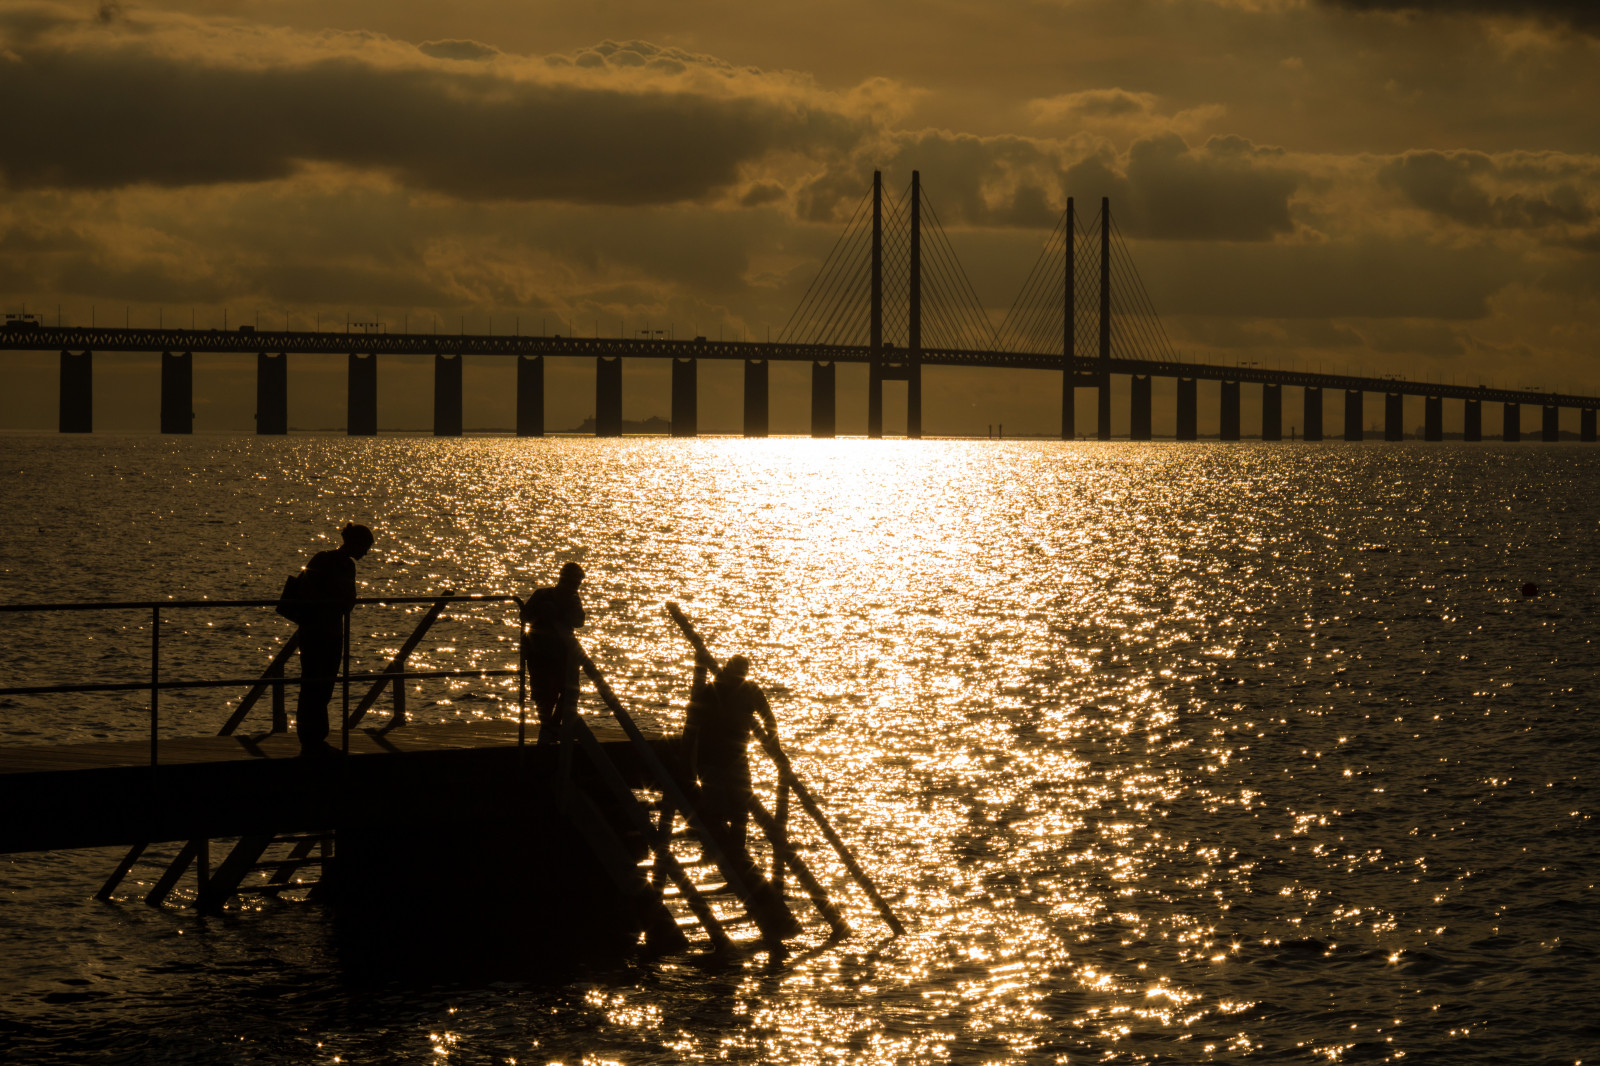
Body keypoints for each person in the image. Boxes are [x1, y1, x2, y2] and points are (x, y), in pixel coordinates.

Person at [683, 653, 778, 860]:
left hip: (732, 757)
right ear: (727, 670)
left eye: (740, 673)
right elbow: (693, 721)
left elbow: (769, 719)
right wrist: (688, 757)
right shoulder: (714, 690)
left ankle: (734, 850)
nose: (736, 677)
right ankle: (719, 848)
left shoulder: (747, 691)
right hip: (713, 757)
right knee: (718, 805)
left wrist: (776, 750)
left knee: (739, 807)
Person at [294, 522, 374, 756]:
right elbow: (347, 602)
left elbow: (303, 587)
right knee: (321, 685)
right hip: (327, 632)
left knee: (311, 683)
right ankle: (314, 740)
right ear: (355, 543)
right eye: (365, 547)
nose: (366, 553)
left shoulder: (321, 558)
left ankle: (310, 738)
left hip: (310, 630)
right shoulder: (344, 565)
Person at [522, 562, 586, 744]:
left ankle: (553, 726)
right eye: (574, 582)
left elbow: (579, 621)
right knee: (544, 694)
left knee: (570, 692)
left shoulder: (573, 598)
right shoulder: (543, 595)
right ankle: (547, 728)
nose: (575, 587)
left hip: (563, 654)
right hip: (540, 653)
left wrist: (564, 613)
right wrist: (544, 613)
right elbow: (525, 615)